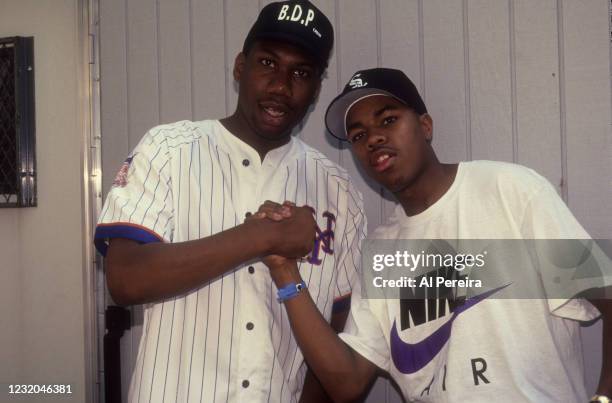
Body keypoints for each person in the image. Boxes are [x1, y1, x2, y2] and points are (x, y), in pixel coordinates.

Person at [254, 67, 612, 402]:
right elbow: (347, 383)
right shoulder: (380, 252)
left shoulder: (511, 189)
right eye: (359, 135)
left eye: (389, 120)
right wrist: (285, 271)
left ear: (425, 125)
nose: (374, 138)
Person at [93, 2, 366, 402]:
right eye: (268, 63)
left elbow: (338, 331)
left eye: (301, 73)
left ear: (317, 87)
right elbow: (125, 279)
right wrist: (259, 237)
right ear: (241, 66)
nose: (281, 86)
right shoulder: (169, 150)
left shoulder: (338, 191)